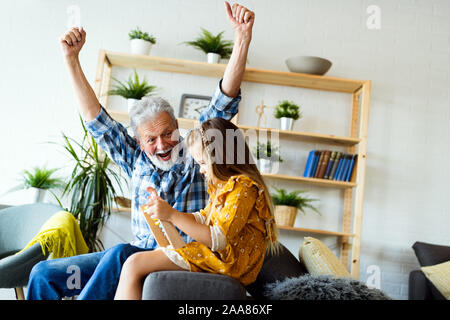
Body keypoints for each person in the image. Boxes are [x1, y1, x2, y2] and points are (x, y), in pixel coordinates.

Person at [27, 2, 255, 300]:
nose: (162, 145)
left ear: (177, 127)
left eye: (167, 134)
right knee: (42, 274)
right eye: (151, 140)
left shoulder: (194, 154)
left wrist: (242, 39)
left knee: (120, 253)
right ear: (137, 141)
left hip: (178, 258)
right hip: (137, 256)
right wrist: (71, 59)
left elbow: (223, 102)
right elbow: (96, 118)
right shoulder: (132, 157)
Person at [114, 117, 279, 299]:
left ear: (222, 157)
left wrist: (172, 215)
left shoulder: (243, 188)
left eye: (202, 162)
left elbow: (218, 239)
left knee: (133, 263)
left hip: (228, 263)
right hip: (220, 258)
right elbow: (203, 218)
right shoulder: (224, 186)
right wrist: (168, 213)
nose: (201, 170)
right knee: (147, 258)